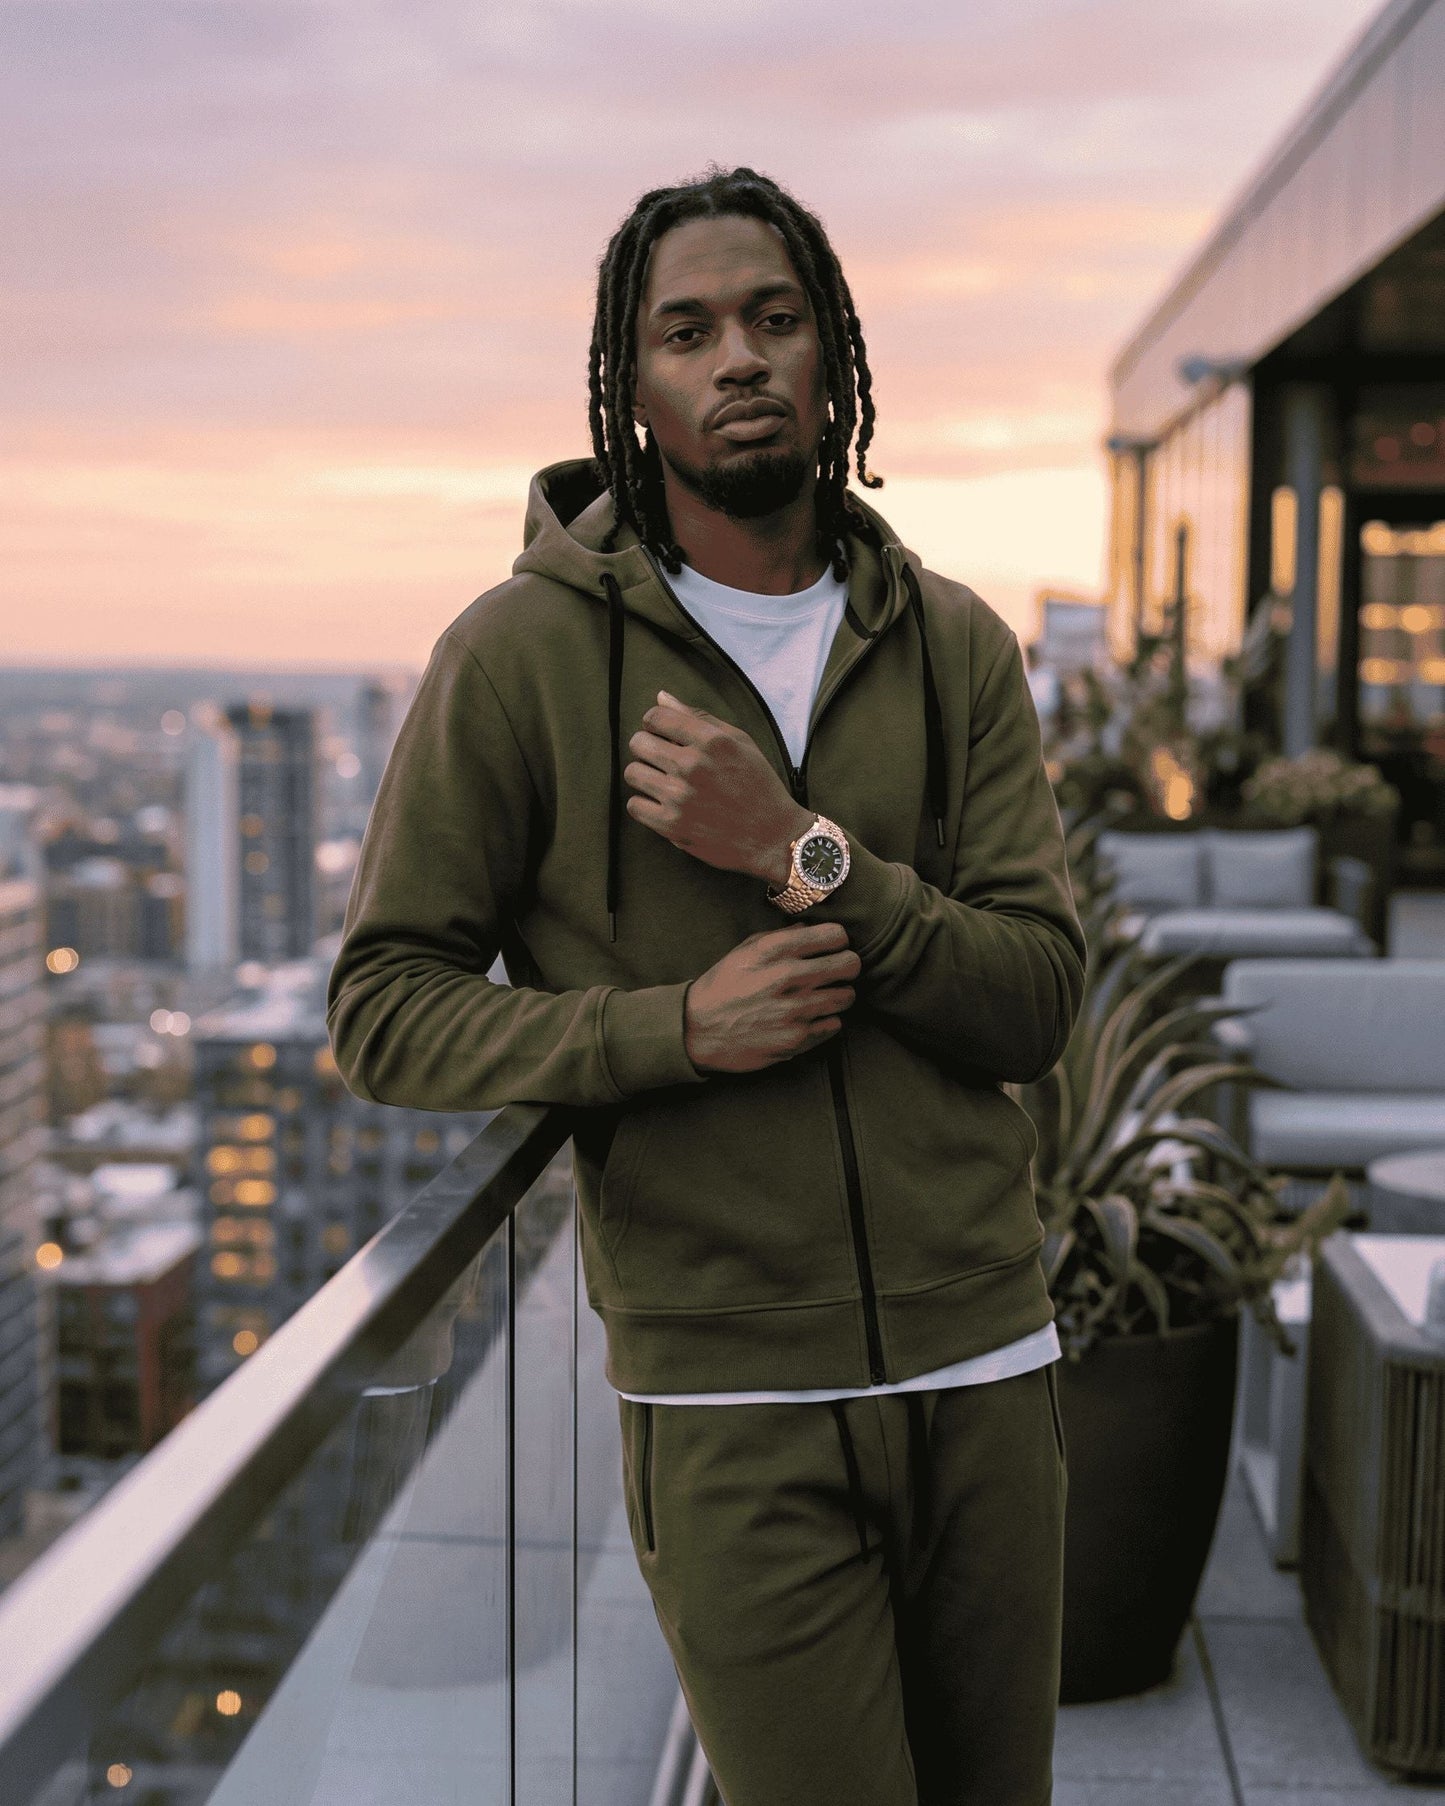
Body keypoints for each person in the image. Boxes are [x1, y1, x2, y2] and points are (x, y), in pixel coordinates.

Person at [327, 165, 1087, 1806]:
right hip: (728, 1396)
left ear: (831, 357)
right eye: (688, 330)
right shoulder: (518, 658)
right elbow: (384, 1001)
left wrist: (806, 855)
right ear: (631, 383)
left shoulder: (954, 647)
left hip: (982, 1367)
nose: (736, 357)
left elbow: (1033, 998)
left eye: (772, 318)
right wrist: (672, 1027)